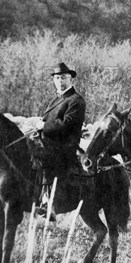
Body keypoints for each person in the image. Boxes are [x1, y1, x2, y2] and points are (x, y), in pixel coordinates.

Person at [33, 62, 86, 215]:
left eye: (63, 78)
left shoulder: (76, 100)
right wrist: (38, 129)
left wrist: (44, 126)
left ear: (71, 80)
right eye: (57, 78)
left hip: (65, 145)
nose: (60, 81)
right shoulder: (56, 99)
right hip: (49, 141)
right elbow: (45, 119)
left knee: (45, 158)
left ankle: (47, 203)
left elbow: (67, 124)